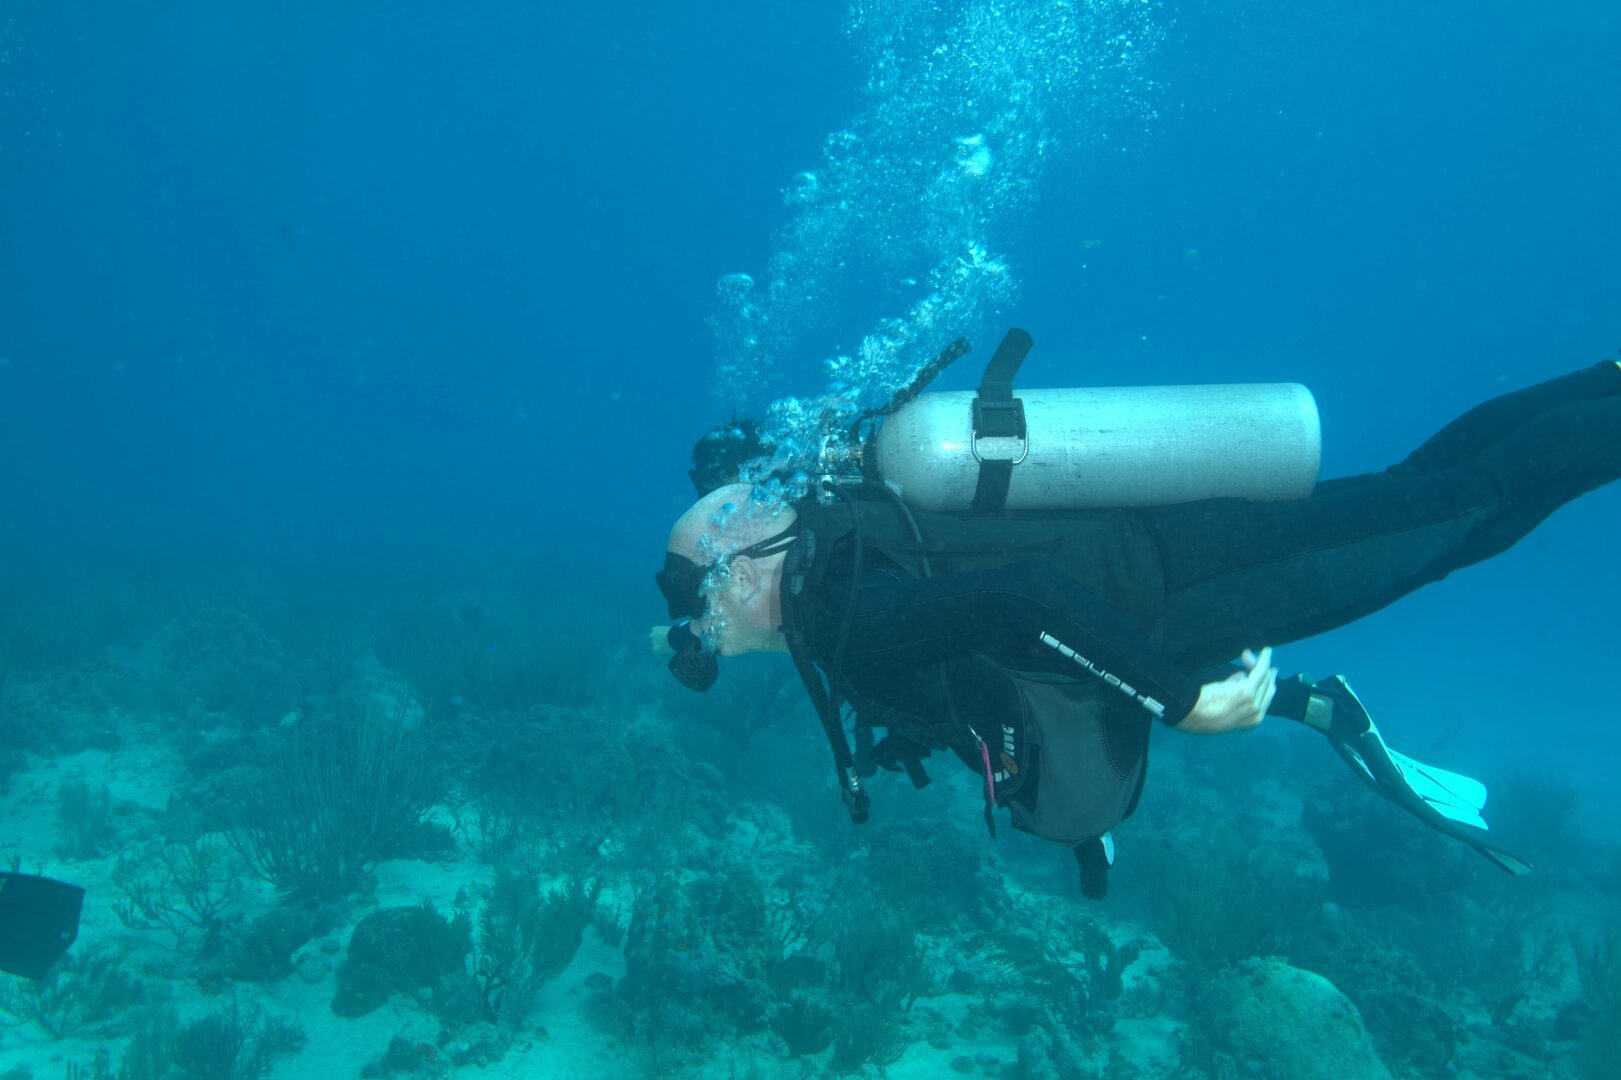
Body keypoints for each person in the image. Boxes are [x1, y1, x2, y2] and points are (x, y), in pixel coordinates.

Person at [656, 357, 1621, 896]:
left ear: (742, 567)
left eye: (696, 607)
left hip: (1192, 577)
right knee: (1432, 499)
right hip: (1166, 571)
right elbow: (985, 682)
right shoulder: (845, 566)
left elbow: (1022, 597)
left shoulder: (844, 612)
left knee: (1461, 510)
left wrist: (1185, 704)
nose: (704, 639)